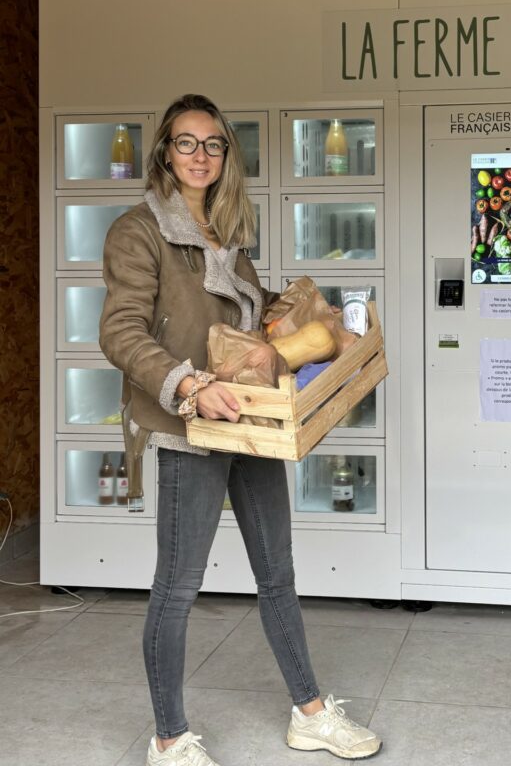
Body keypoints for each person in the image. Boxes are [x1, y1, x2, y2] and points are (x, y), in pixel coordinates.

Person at [99, 94, 381, 766]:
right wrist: (191, 386)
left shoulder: (230, 233)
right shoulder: (137, 232)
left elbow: (243, 334)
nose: (200, 156)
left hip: (253, 424)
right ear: (164, 152)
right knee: (178, 587)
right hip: (191, 425)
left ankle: (309, 714)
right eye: (186, 143)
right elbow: (120, 333)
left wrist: (306, 327)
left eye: (213, 144)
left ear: (228, 155)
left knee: (276, 573)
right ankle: (168, 739)